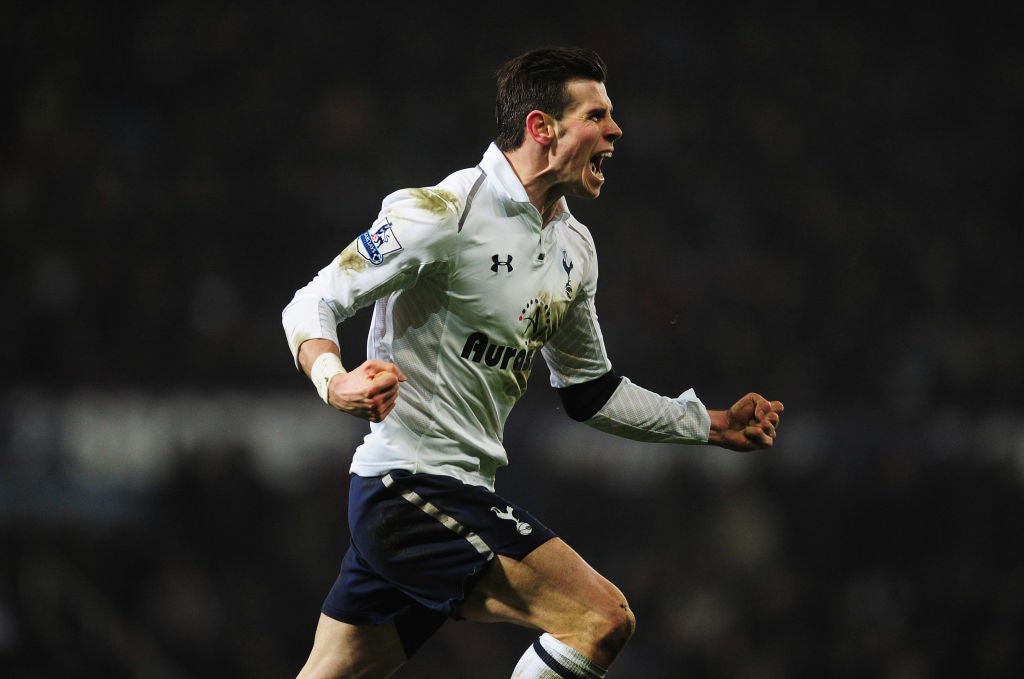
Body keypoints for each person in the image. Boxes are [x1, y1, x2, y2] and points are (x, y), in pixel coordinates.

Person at [282, 45, 784, 679]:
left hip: (452, 494)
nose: (616, 129)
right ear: (542, 128)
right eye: (597, 115)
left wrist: (708, 424)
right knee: (602, 619)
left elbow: (590, 392)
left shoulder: (573, 248)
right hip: (409, 489)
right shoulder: (443, 211)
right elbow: (311, 303)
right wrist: (336, 381)